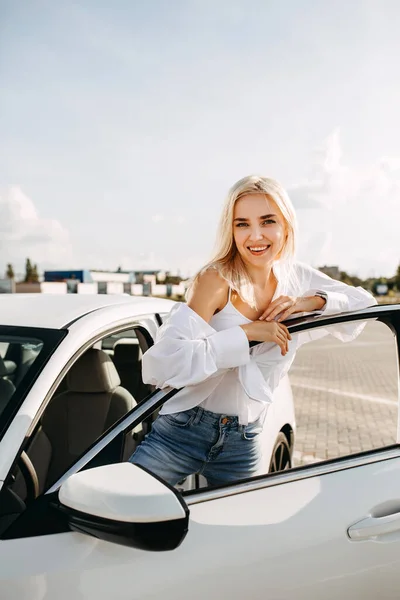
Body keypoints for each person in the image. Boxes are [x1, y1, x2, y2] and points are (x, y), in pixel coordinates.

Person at [129, 175, 376, 487]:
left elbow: (364, 303)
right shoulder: (216, 280)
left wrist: (309, 301)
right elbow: (162, 364)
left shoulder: (295, 277)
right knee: (122, 512)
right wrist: (246, 333)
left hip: (245, 439)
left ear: (286, 225)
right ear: (230, 230)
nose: (255, 235)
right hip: (182, 430)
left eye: (267, 221)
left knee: (238, 533)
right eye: (242, 223)